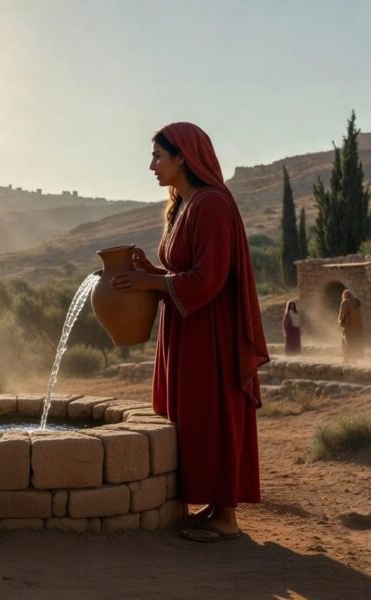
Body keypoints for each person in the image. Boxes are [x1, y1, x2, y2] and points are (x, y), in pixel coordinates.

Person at [110, 122, 269, 542]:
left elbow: (208, 278)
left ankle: (227, 518)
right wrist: (153, 274)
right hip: (188, 329)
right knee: (193, 417)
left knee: (211, 414)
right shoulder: (186, 205)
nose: (151, 166)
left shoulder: (212, 205)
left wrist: (154, 284)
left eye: (158, 157)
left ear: (183, 157)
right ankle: (213, 506)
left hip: (211, 335)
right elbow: (185, 274)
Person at [339, 289, 364, 361]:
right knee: (355, 341)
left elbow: (342, 314)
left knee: (346, 341)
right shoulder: (357, 303)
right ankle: (354, 358)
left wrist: (341, 321)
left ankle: (346, 358)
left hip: (348, 326)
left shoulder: (346, 302)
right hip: (357, 327)